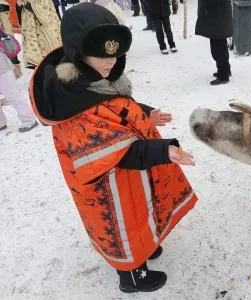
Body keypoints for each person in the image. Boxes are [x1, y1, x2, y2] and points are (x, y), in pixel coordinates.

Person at [29, 3, 198, 293]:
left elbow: (117, 110)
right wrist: (163, 151)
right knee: (123, 223)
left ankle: (142, 248)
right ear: (78, 52)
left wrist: (144, 113)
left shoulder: (96, 79)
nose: (110, 62)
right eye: (102, 55)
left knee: (139, 210)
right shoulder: (72, 104)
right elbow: (116, 152)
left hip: (128, 177)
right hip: (107, 184)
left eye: (115, 54)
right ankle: (132, 276)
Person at [195, 0, 233, 85]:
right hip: (217, 18)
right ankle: (226, 70)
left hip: (218, 19)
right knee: (220, 46)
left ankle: (223, 76)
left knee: (218, 50)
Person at [0, 47, 38, 132]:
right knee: (12, 94)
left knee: (13, 95)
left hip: (2, 68)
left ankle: (29, 120)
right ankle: (1, 123)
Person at [16, 0, 61, 69]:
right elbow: (22, 18)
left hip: (46, 35)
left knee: (51, 63)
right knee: (40, 67)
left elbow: (46, 15)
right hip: (31, 36)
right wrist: (19, 6)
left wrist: (27, 4)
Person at [0, 0, 22, 78]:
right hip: (3, 6)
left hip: (2, 7)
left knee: (7, 38)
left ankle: (16, 70)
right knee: (7, 37)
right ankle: (16, 69)